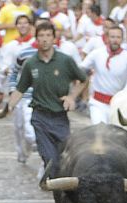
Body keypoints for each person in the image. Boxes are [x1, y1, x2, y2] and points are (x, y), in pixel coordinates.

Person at [8, 20, 86, 168]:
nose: (44, 39)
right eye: (41, 36)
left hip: (60, 117)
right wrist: (9, 107)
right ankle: (51, 179)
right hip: (40, 117)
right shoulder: (31, 63)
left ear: (54, 38)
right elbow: (20, 89)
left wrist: (71, 97)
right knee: (49, 159)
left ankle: (57, 186)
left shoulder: (65, 61)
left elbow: (83, 79)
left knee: (64, 157)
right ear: (36, 39)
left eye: (48, 35)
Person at [80, 25, 127, 124]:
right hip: (98, 103)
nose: (115, 40)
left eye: (118, 37)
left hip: (117, 104)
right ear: (107, 38)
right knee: (100, 131)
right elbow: (80, 69)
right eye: (112, 37)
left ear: (122, 39)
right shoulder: (97, 53)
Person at [1, 12, 34, 163]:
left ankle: (29, 146)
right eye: (20, 23)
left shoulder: (35, 44)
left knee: (29, 127)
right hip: (18, 90)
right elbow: (6, 67)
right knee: (18, 125)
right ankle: (20, 152)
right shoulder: (10, 46)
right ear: (16, 26)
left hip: (32, 91)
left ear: (30, 25)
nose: (23, 26)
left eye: (25, 23)